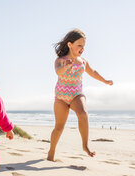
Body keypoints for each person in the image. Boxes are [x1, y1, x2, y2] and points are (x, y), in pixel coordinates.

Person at [47, 29, 113, 161]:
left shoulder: (83, 61)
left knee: (83, 114)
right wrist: (66, 66)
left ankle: (85, 145)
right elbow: (59, 72)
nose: (82, 48)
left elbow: (93, 72)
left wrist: (104, 80)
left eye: (84, 46)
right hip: (61, 98)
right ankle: (51, 152)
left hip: (76, 94)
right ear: (70, 44)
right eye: (79, 45)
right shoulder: (61, 60)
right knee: (59, 127)